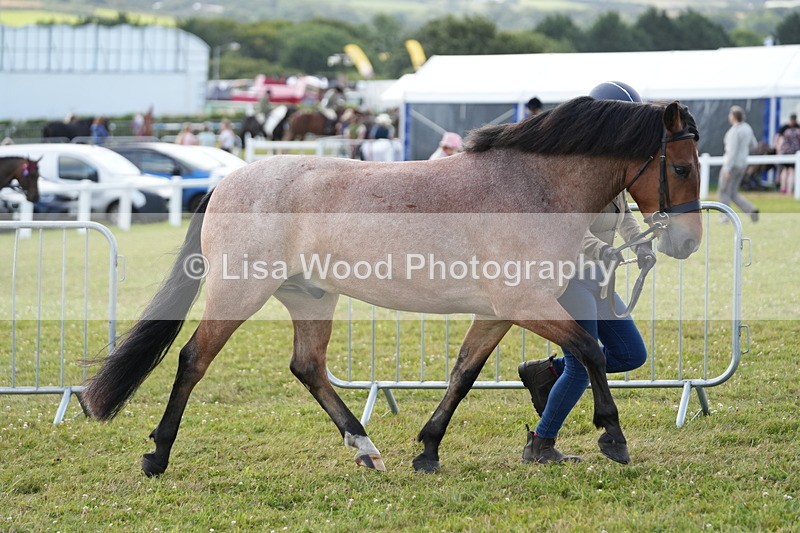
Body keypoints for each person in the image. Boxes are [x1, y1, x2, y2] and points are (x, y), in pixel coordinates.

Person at [517, 81, 654, 464]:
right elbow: (567, 228)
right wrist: (603, 249)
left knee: (630, 353)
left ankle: (547, 370)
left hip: (599, 278)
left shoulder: (612, 163)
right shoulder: (574, 166)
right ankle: (540, 444)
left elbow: (622, 213)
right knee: (582, 366)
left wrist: (639, 241)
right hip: (569, 275)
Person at [720, 105, 759, 222]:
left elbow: (732, 152)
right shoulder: (747, 128)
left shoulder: (734, 131)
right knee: (733, 193)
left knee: (723, 191)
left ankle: (725, 217)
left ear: (733, 116)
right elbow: (754, 145)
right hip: (742, 164)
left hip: (731, 165)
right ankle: (751, 210)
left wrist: (727, 168)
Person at [776, 113, 800, 195]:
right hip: (794, 152)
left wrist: (778, 149)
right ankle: (789, 189)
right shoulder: (798, 129)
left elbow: (779, 139)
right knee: (791, 171)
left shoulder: (785, 129)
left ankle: (783, 188)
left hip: (785, 152)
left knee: (785, 170)